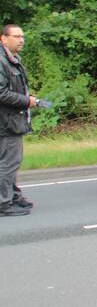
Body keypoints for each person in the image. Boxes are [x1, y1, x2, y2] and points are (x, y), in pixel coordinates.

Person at [0, 24, 38, 216]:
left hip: (10, 121)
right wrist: (26, 101)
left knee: (9, 162)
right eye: (17, 36)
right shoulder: (1, 61)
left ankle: (14, 196)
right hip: (6, 123)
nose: (21, 40)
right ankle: (4, 204)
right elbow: (1, 93)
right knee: (9, 163)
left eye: (22, 36)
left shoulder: (11, 59)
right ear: (3, 38)